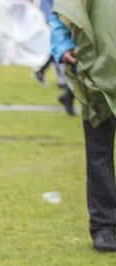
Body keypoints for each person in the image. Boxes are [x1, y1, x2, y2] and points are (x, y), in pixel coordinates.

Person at [50, 1, 116, 253]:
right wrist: (63, 45)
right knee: (99, 153)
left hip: (98, 69)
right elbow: (64, 10)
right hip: (96, 74)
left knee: (99, 154)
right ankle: (103, 228)